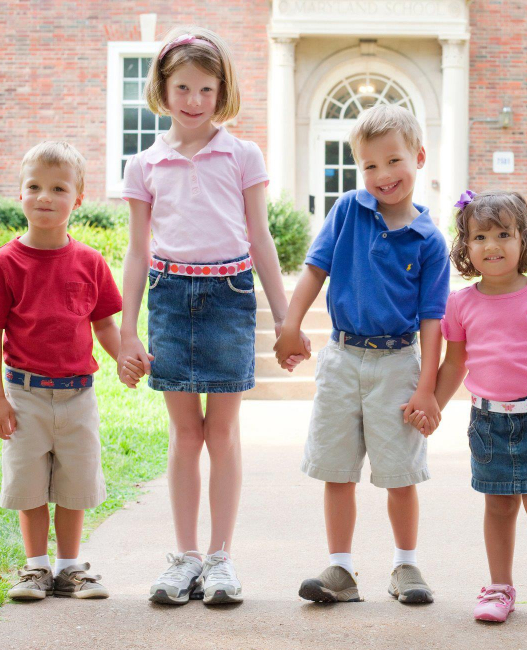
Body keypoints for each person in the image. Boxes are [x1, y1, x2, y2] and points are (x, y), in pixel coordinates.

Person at [117, 26, 308, 605]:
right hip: (170, 300)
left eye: (205, 88)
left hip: (229, 296)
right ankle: (185, 558)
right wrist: (127, 329)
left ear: (221, 90)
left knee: (221, 432)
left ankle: (221, 559)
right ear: (163, 89)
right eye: (183, 88)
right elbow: (135, 249)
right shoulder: (144, 164)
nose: (194, 100)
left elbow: (261, 238)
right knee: (183, 433)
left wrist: (284, 317)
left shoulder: (242, 154)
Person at [274, 104, 449, 604]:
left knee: (400, 473)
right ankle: (341, 570)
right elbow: (314, 269)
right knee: (337, 469)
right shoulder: (349, 209)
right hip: (342, 356)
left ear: (418, 156)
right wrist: (291, 325)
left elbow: (433, 319)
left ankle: (406, 566)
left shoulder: (430, 241)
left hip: (397, 363)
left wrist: (427, 387)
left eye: (393, 161)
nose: (382, 175)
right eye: (369, 166)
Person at [424, 190, 527, 623]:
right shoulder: (459, 303)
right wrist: (433, 407)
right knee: (498, 505)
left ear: (524, 240)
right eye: (479, 237)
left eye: (503, 234)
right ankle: (498, 586)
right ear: (466, 248)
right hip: (488, 423)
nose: (492, 246)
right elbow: (455, 362)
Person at [0, 141, 122, 601]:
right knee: (29, 484)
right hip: (25, 394)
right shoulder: (6, 262)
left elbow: (104, 324)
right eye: (34, 186)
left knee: (74, 484)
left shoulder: (90, 262)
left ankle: (70, 568)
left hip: (78, 395)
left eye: (58, 188)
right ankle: (35, 569)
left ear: (77, 199)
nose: (44, 197)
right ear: (19, 194)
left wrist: (126, 358)